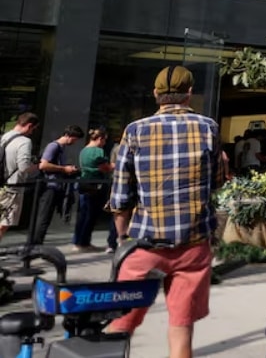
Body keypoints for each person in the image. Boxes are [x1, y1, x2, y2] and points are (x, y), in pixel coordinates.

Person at [106, 65, 223, 358]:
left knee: (121, 322)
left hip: (145, 243)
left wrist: (122, 239)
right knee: (181, 326)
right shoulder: (208, 127)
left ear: (156, 94)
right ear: (190, 94)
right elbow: (217, 179)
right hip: (193, 244)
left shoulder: (135, 130)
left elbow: (120, 196)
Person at [32, 125, 82, 245]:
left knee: (46, 217)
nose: (74, 142)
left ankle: (38, 242)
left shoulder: (61, 148)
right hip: (49, 186)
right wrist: (64, 169)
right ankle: (36, 244)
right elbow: (43, 165)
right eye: (74, 139)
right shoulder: (54, 146)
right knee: (44, 217)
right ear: (67, 135)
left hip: (55, 186)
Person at [72, 128, 113, 252]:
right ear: (100, 139)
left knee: (83, 214)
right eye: (104, 140)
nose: (104, 143)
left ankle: (78, 241)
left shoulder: (84, 150)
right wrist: (115, 165)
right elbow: (105, 167)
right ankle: (84, 242)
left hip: (84, 183)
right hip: (95, 185)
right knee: (91, 214)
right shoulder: (98, 151)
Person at [0, 113, 39, 242]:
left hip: (2, 184)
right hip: (13, 187)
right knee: (5, 222)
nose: (32, 132)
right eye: (33, 129)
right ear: (29, 126)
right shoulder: (24, 141)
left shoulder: (5, 136)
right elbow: (24, 167)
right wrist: (39, 166)